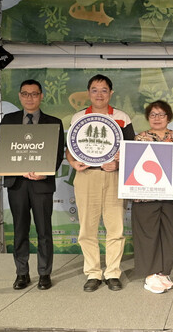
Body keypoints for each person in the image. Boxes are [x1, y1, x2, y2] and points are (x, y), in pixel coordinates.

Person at [66, 74, 135, 292]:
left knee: (116, 227)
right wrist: (72, 163)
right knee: (87, 228)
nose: (99, 94)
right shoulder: (79, 117)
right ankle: (93, 273)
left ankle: (113, 272)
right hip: (87, 177)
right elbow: (69, 148)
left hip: (114, 177)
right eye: (95, 89)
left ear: (111, 93)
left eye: (104, 90)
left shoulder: (122, 117)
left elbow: (132, 150)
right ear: (88, 93)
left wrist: (118, 164)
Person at [0, 79, 65, 290]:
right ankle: (22, 273)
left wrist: (44, 173)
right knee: (20, 229)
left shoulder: (54, 122)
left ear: (41, 96)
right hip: (17, 184)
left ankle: (44, 273)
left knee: (44, 231)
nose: (30, 98)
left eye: (34, 94)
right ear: (19, 96)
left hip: (41, 185)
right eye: (25, 94)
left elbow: (57, 153)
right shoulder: (8, 120)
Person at [131, 100, 173, 294]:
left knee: (169, 232)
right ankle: (150, 274)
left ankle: (163, 272)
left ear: (169, 117)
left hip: (171, 193)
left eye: (161, 114)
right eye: (153, 115)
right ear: (148, 117)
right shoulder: (139, 138)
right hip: (144, 195)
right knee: (148, 234)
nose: (157, 118)